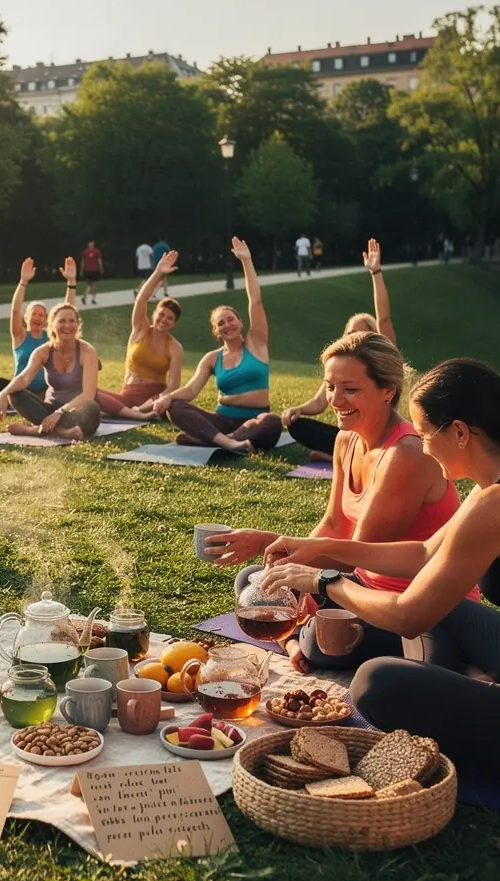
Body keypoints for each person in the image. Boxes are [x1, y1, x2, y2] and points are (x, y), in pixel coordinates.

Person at [259, 360, 500, 779]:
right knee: (444, 601)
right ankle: (466, 681)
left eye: (425, 435)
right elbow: (426, 553)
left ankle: (475, 693)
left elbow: (410, 616)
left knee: (375, 682)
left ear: (459, 432)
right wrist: (319, 548)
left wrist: (325, 580)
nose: (422, 447)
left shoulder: (497, 504)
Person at [206, 331, 465, 673]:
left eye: (350, 389)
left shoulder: (406, 454)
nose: (336, 400)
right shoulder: (346, 440)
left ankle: (296, 639)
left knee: (321, 639)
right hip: (356, 586)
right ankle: (294, 639)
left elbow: (356, 552)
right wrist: (289, 567)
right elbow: (333, 525)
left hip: (408, 607)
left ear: (388, 390)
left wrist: (270, 545)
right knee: (254, 580)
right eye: (330, 386)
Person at [145, 237, 281, 453]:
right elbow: (191, 390)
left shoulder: (256, 343)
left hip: (253, 420)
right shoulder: (211, 358)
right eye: (221, 323)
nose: (227, 325)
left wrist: (246, 261)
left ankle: (212, 440)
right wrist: (168, 396)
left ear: (241, 322)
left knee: (272, 422)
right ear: (216, 331)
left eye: (230, 319)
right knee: (175, 406)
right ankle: (228, 442)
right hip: (221, 420)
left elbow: (255, 301)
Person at [282, 239, 396, 458]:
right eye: (351, 333)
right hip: (350, 435)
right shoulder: (340, 368)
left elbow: (384, 317)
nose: (355, 338)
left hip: (379, 436)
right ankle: (343, 455)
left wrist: (375, 272)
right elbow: (319, 402)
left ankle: (341, 457)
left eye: (362, 333)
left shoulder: (383, 359)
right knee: (298, 426)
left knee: (368, 442)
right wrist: (299, 409)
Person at [0, 303, 101, 440]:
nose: (67, 325)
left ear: (78, 324)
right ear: (52, 325)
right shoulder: (43, 352)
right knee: (15, 395)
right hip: (48, 411)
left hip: (76, 412)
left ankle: (33, 430)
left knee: (92, 408)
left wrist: (60, 413)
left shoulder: (87, 351)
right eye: (62, 321)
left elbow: (88, 394)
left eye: (72, 321)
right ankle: (62, 432)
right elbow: (24, 378)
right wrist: (3, 393)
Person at [96, 250, 183, 421]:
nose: (164, 320)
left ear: (174, 323)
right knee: (88, 391)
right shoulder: (140, 330)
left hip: (154, 399)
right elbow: (141, 300)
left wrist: (143, 408)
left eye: (169, 318)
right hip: (127, 396)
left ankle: (129, 413)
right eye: (161, 314)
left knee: (168, 401)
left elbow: (173, 386)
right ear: (154, 314)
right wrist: (158, 273)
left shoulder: (175, 347)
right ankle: (125, 412)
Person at [0, 256, 77, 396]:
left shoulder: (51, 338)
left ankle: (36, 402)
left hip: (46, 391)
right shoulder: (20, 335)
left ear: (46, 320)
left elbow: (68, 311)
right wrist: (23, 282)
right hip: (22, 390)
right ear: (26, 318)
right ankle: (21, 400)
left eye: (41, 315)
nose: (37, 317)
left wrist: (71, 282)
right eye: (34, 314)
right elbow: (15, 310)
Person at [80, 240, 103, 305]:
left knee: (90, 285)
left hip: (88, 270)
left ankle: (85, 296)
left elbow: (83, 262)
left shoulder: (87, 252)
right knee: (93, 285)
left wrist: (81, 271)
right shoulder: (95, 251)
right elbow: (99, 261)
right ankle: (92, 299)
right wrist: (101, 269)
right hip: (94, 270)